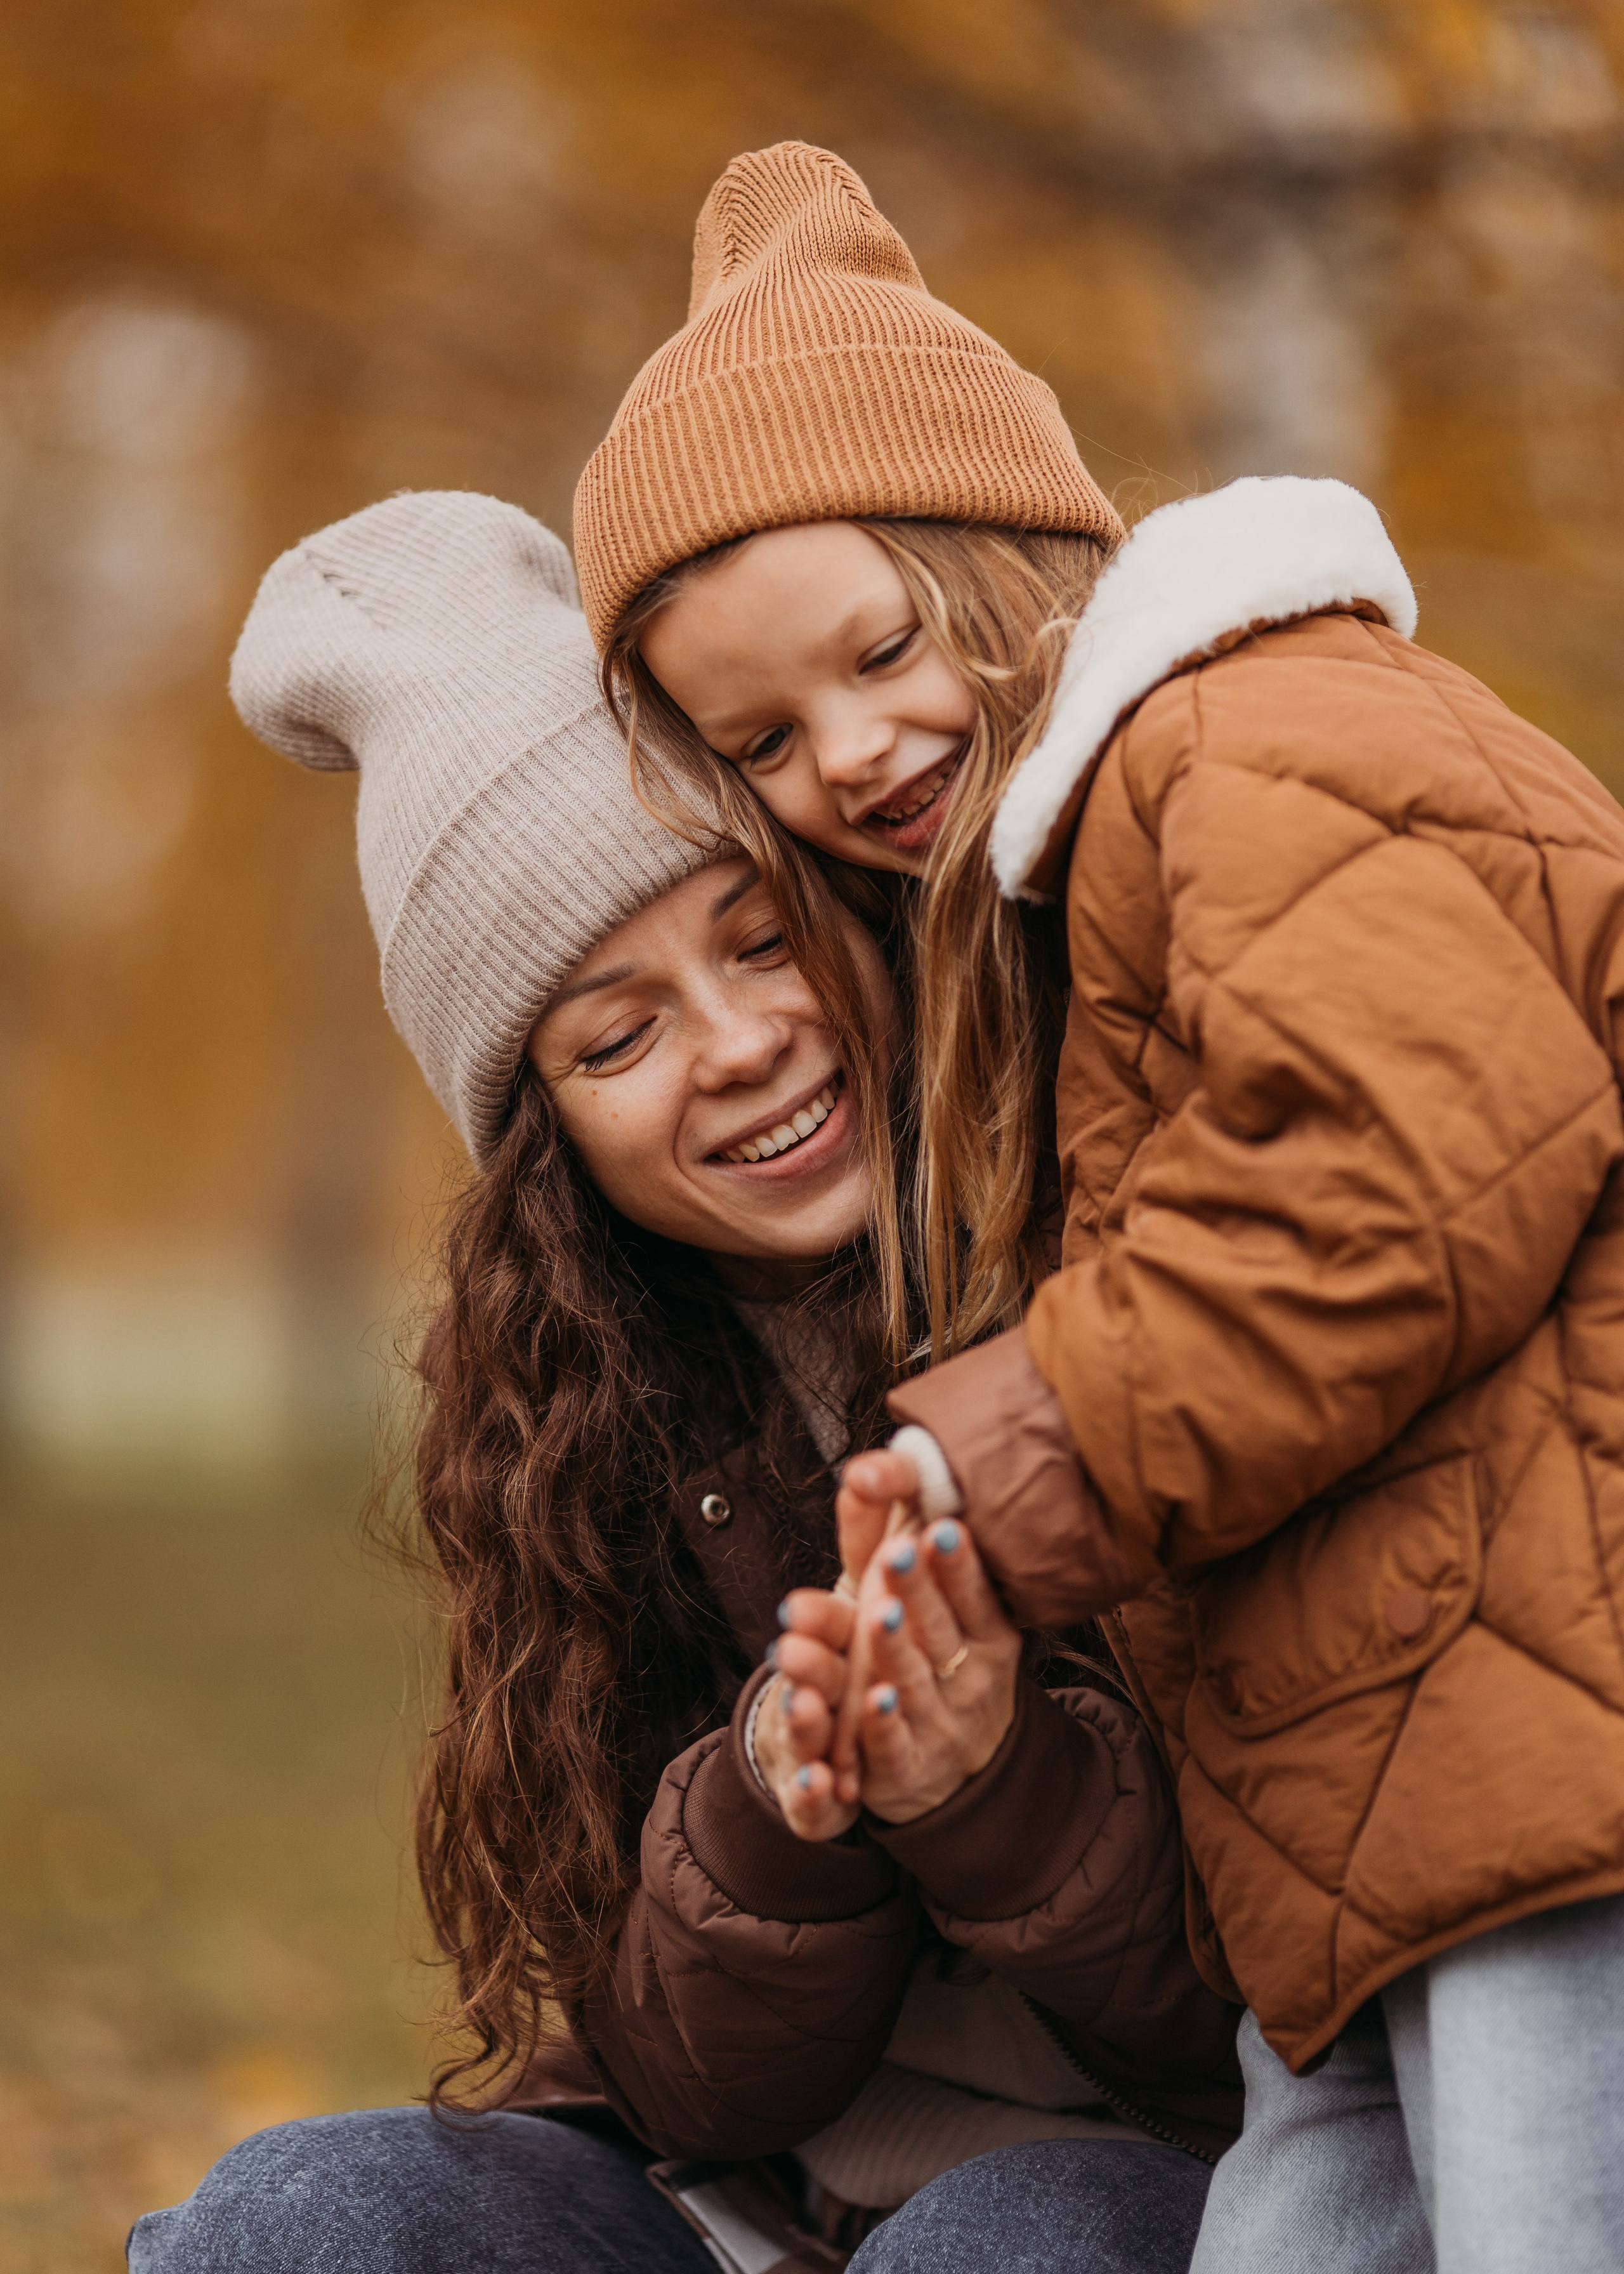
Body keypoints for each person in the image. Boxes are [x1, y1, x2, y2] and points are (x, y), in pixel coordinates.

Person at [577, 140, 1624, 2273]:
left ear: (1007, 540)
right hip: (1386, 1779)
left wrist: (997, 1446)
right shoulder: (1064, 899)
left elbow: (1404, 1183)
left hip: (1554, 1743)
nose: (850, 754)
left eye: (877, 649)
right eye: (761, 740)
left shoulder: (1247, 735)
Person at [126, 489, 1238, 2274]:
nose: (738, 1049)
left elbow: (1270, 1994)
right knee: (301, 2213)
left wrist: (992, 1785)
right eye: (616, 1035)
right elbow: (670, 2077)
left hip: (1168, 2177)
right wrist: (775, 1821)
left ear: (857, 912)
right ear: (545, 1128)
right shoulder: (589, 1403)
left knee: (1022, 2239)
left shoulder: (1127, 1234)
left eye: (762, 935)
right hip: (743, 2207)